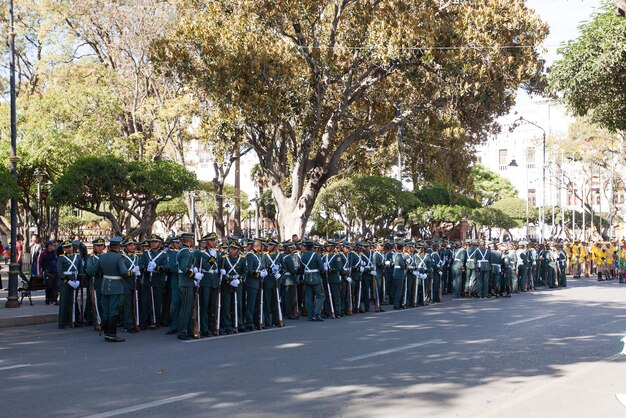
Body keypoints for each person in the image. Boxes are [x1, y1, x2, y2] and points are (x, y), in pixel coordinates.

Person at [96, 236, 127, 342]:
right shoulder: (119, 257)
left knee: (106, 310)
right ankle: (112, 334)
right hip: (116, 287)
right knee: (113, 310)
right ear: (119, 246)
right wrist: (131, 272)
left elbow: (94, 270)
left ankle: (106, 332)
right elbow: (123, 272)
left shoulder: (102, 257)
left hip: (104, 286)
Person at [140, 234, 168, 330]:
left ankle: (156, 321)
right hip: (147, 281)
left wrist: (157, 267)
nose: (153, 244)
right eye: (152, 242)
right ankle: (144, 322)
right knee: (145, 303)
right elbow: (141, 264)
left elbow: (167, 267)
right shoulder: (145, 254)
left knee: (157, 302)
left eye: (155, 242)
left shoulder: (164, 255)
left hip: (158, 281)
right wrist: (145, 268)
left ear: (159, 244)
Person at [57, 239, 84, 329]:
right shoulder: (61, 258)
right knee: (64, 302)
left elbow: (80, 270)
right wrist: (68, 281)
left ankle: (75, 320)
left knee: (74, 301)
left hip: (75, 281)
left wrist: (79, 280)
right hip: (65, 283)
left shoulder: (78, 257)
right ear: (64, 249)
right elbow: (60, 273)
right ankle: (62, 322)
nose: (69, 249)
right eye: (67, 247)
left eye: (70, 247)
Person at [299, 239, 325, 321]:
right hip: (315, 277)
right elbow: (321, 268)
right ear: (313, 247)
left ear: (306, 247)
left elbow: (301, 269)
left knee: (309, 297)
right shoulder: (316, 255)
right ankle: (317, 313)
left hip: (306, 277)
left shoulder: (302, 256)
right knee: (321, 296)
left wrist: (301, 278)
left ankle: (310, 315)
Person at [38, 240, 58, 305]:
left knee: (55, 287)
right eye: (52, 245)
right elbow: (39, 263)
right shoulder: (43, 253)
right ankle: (48, 298)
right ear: (48, 246)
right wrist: (38, 273)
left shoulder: (54, 253)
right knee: (49, 286)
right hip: (47, 272)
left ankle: (54, 300)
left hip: (55, 272)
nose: (53, 246)